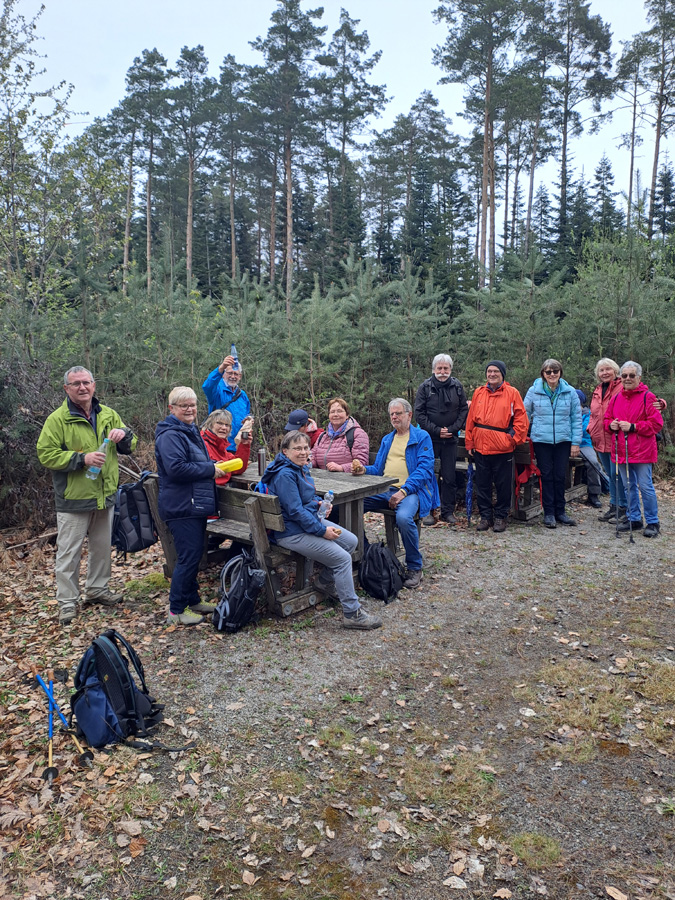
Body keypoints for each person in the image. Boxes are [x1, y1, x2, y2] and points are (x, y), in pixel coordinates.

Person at [37, 366, 137, 626]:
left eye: (86, 382)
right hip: (73, 498)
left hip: (104, 494)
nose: (82, 387)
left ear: (94, 385)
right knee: (68, 553)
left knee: (102, 548)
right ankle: (67, 602)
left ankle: (97, 590)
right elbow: (46, 454)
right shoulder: (57, 420)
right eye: (76, 384)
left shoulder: (108, 414)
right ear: (66, 389)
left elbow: (131, 444)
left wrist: (124, 435)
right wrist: (82, 459)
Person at [259, 431, 382, 631]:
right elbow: (295, 511)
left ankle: (324, 582)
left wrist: (318, 503)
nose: (303, 452)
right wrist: (321, 531)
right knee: (342, 558)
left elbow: (304, 501)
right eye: (297, 448)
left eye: (306, 447)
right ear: (285, 451)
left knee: (351, 541)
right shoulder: (284, 474)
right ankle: (352, 613)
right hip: (289, 532)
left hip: (303, 523)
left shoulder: (299, 468)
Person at [155, 387, 220, 626]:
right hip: (182, 506)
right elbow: (177, 468)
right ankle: (176, 610)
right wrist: (210, 469)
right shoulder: (171, 435)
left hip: (195, 504)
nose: (190, 409)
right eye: (184, 406)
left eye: (192, 404)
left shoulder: (190, 431)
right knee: (188, 557)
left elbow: (193, 462)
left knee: (193, 555)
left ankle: (192, 600)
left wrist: (210, 464)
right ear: (172, 408)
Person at [360, 399, 438, 589]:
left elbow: (425, 469)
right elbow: (379, 469)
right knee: (347, 506)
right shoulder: (388, 439)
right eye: (392, 414)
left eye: (398, 413)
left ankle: (414, 567)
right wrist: (362, 470)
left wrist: (403, 491)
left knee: (403, 517)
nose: (394, 417)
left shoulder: (421, 436)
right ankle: (365, 552)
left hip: (412, 491)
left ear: (409, 415)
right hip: (385, 490)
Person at [464, 361, 528, 533]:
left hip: (502, 448)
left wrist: (511, 439)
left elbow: (522, 421)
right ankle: (486, 517)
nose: (492, 374)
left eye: (496, 371)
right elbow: (471, 419)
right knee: (483, 483)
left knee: (503, 484)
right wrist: (469, 441)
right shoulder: (479, 392)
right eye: (489, 371)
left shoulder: (512, 393)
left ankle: (501, 516)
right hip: (481, 446)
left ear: (502, 374)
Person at [604, 361, 663, 537]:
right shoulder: (616, 398)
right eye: (624, 375)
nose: (627, 379)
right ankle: (634, 518)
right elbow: (607, 420)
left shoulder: (648, 397)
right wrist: (612, 425)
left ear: (639, 377)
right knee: (628, 486)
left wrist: (633, 426)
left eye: (631, 375)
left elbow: (656, 424)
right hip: (622, 450)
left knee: (645, 486)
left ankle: (653, 522)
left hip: (643, 451)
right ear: (620, 377)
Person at [524, 359, 582, 529]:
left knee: (560, 476)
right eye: (548, 372)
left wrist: (575, 443)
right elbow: (524, 413)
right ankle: (548, 513)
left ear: (560, 373)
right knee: (546, 476)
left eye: (555, 371)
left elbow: (576, 418)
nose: (552, 375)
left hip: (563, 440)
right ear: (543, 373)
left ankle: (561, 512)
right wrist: (523, 435)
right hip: (542, 440)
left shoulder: (570, 392)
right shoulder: (534, 391)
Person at [414, 354, 469, 524]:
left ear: (450, 370)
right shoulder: (425, 387)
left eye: (446, 368)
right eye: (440, 368)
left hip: (451, 439)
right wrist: (437, 430)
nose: (443, 372)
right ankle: (428, 511)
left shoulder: (457, 386)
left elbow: (463, 411)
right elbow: (419, 413)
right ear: (433, 369)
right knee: (429, 475)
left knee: (449, 476)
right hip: (429, 439)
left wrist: (452, 430)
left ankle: (447, 511)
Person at [201, 353, 251, 452]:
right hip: (218, 447)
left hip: (237, 446)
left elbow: (246, 415)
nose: (233, 376)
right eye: (229, 373)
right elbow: (207, 386)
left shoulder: (242, 395)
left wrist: (249, 421)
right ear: (223, 374)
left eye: (236, 374)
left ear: (240, 376)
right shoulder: (217, 391)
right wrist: (221, 368)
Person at [311, 397, 370, 472]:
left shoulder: (358, 434)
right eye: (332, 412)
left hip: (349, 481)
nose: (335, 414)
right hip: (322, 480)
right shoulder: (323, 436)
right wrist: (307, 463)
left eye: (339, 411)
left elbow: (362, 463)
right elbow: (313, 457)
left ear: (347, 415)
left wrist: (341, 468)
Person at [201, 409, 252, 486]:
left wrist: (244, 445)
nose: (224, 428)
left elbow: (238, 468)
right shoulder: (202, 445)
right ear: (210, 425)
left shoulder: (221, 447)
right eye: (219, 423)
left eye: (227, 425)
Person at [575, 389, 606, 509]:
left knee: (593, 462)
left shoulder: (588, 414)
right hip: (565, 444)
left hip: (584, 444)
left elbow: (586, 430)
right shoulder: (564, 412)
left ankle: (594, 494)